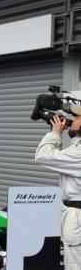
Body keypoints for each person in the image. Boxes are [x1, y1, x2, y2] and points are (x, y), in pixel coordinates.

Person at [35, 110, 81, 270]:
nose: (71, 119)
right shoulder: (77, 147)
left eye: (76, 117)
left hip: (78, 216)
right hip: (72, 211)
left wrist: (55, 134)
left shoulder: (79, 153)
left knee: (75, 263)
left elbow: (43, 156)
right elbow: (60, 159)